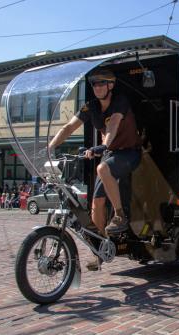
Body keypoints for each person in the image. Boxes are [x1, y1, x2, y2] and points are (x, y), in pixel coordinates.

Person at [48, 69, 142, 236]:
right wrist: (49, 147)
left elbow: (113, 124)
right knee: (96, 202)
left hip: (129, 152)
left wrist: (104, 145)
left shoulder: (120, 101)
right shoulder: (91, 107)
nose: (97, 87)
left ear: (110, 85)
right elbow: (68, 127)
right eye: (94, 84)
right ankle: (97, 248)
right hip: (110, 154)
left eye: (101, 83)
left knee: (102, 168)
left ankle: (120, 216)